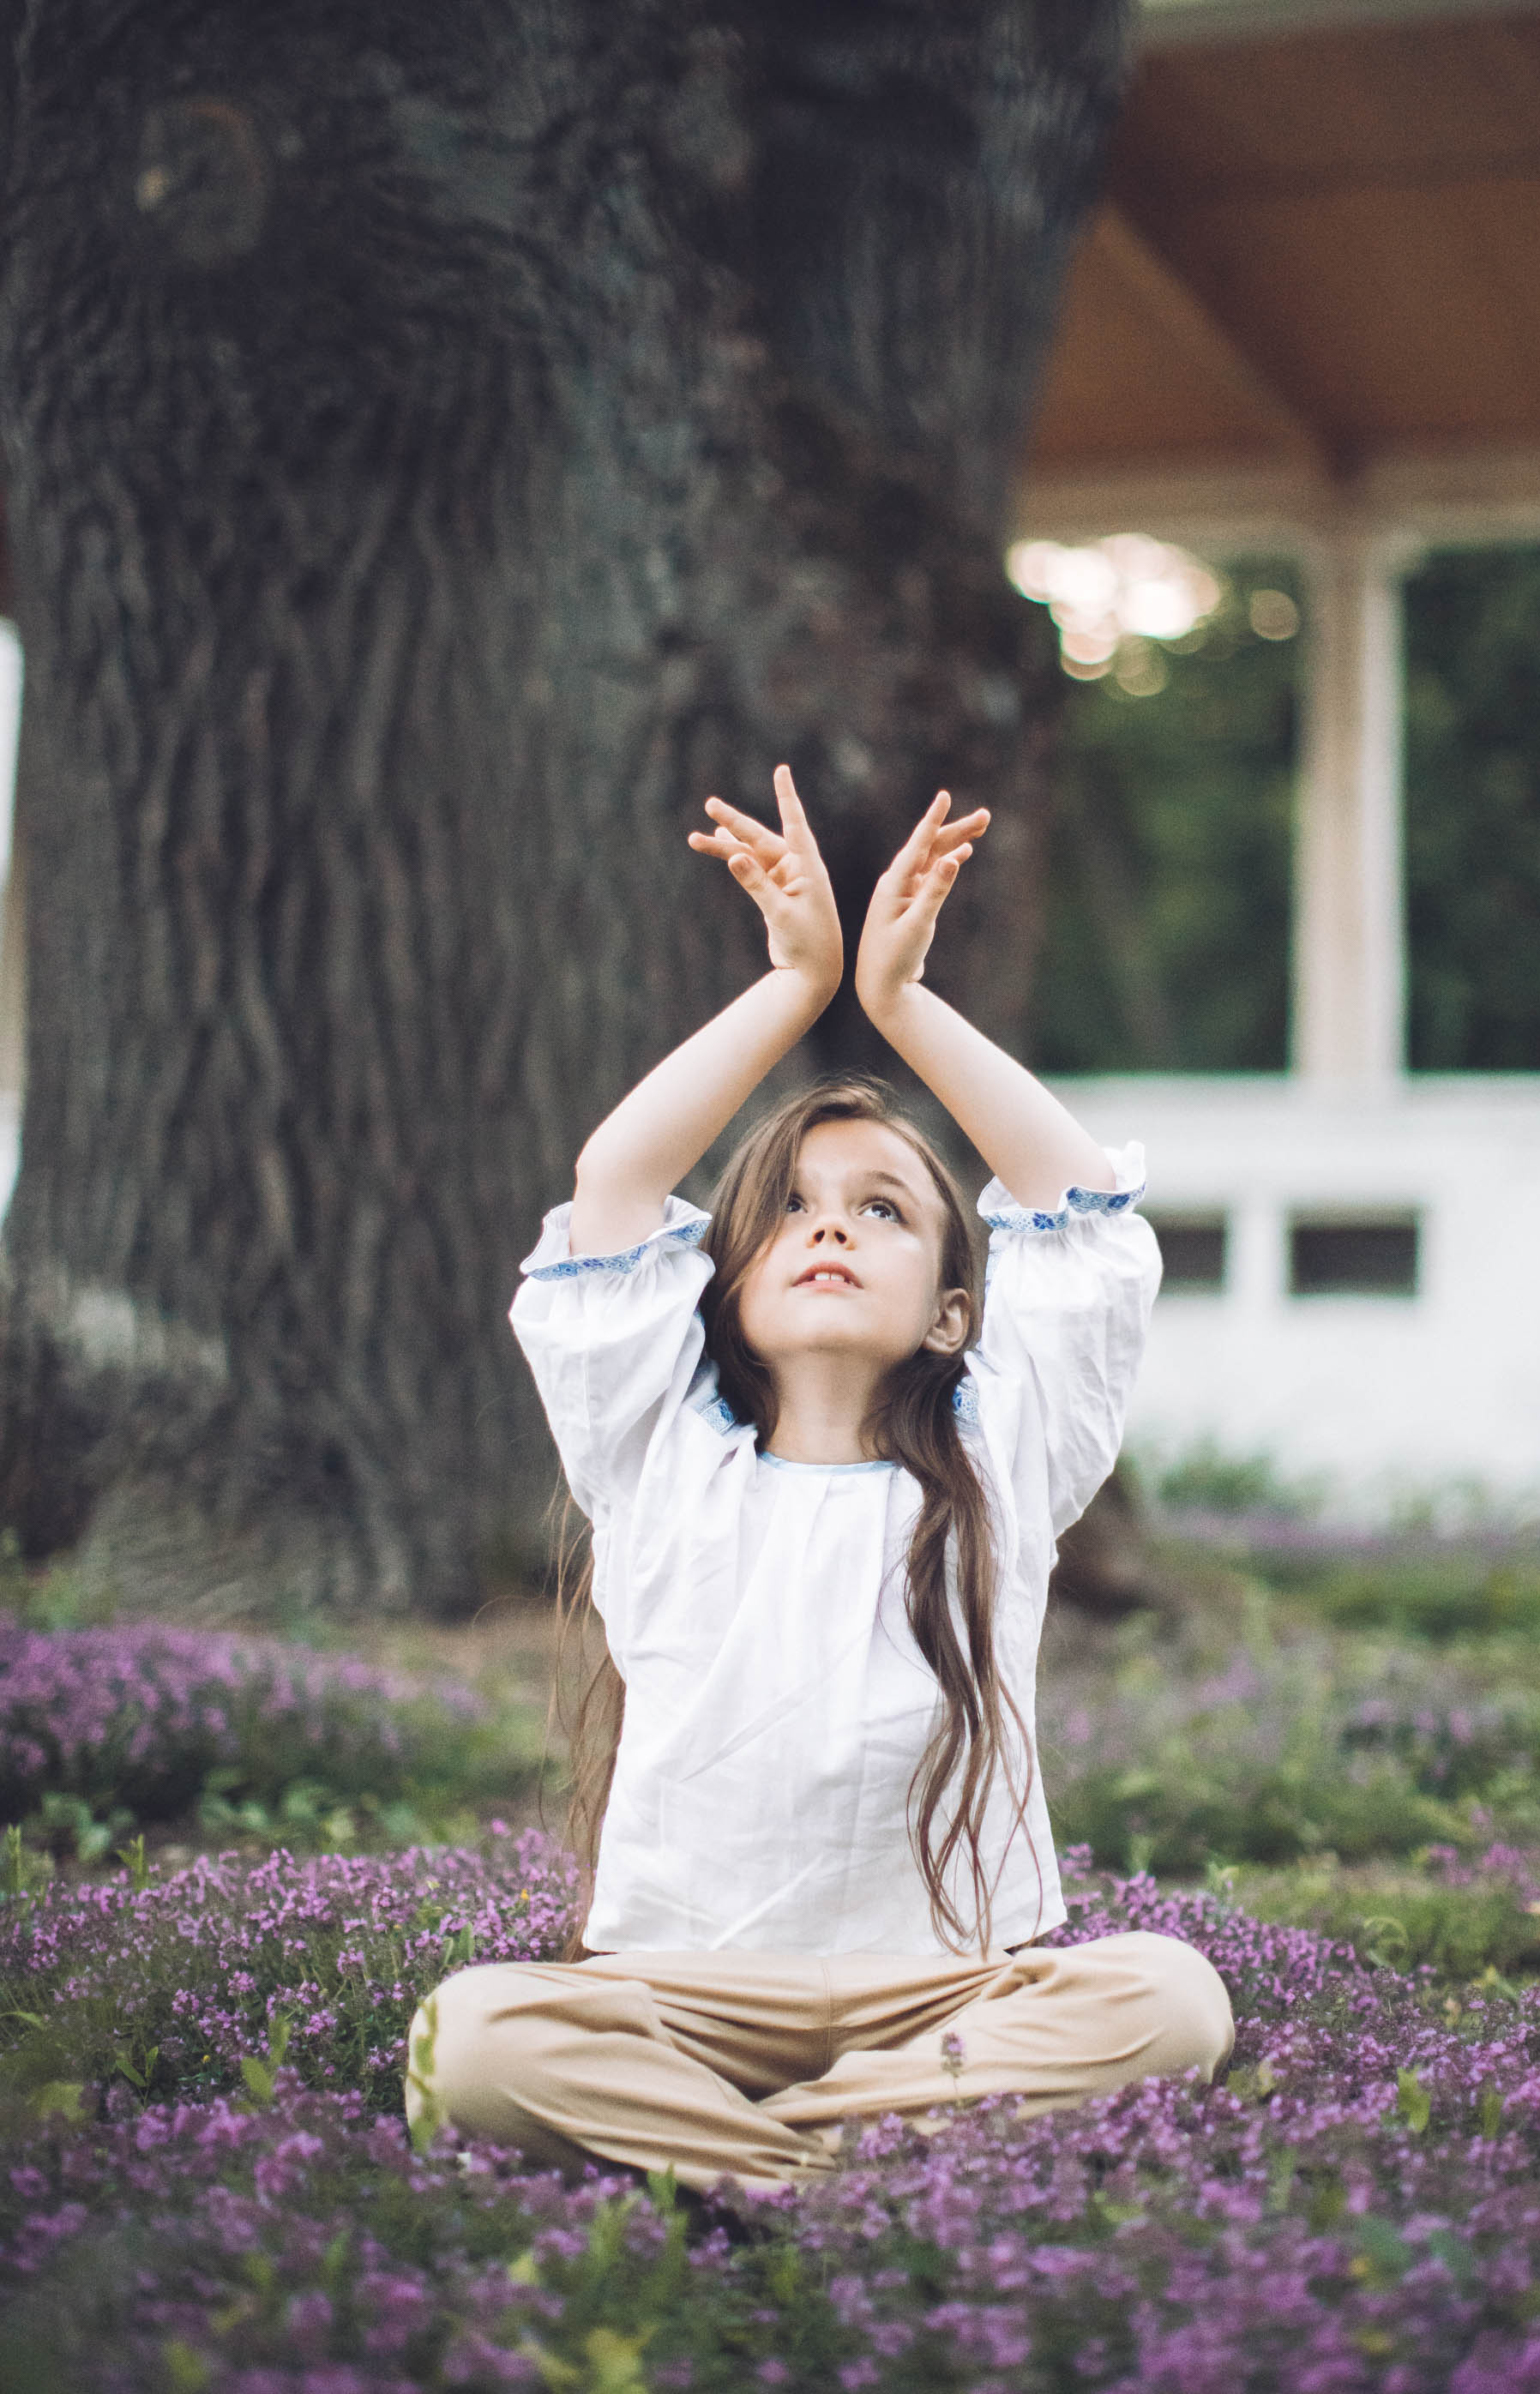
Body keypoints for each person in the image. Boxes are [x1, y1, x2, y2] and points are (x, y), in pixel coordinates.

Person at [407, 767, 1233, 2194]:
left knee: (1173, 1999)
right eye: (788, 1208)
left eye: (883, 1209)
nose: (829, 1228)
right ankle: (855, 2168)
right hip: (687, 1997)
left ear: (954, 1312)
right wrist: (796, 985)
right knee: (469, 2040)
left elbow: (1080, 1212)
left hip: (950, 1996)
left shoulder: (1004, 1463)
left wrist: (903, 1001)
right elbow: (613, 1186)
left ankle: (758, 2169)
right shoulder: (658, 1458)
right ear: (723, 1295)